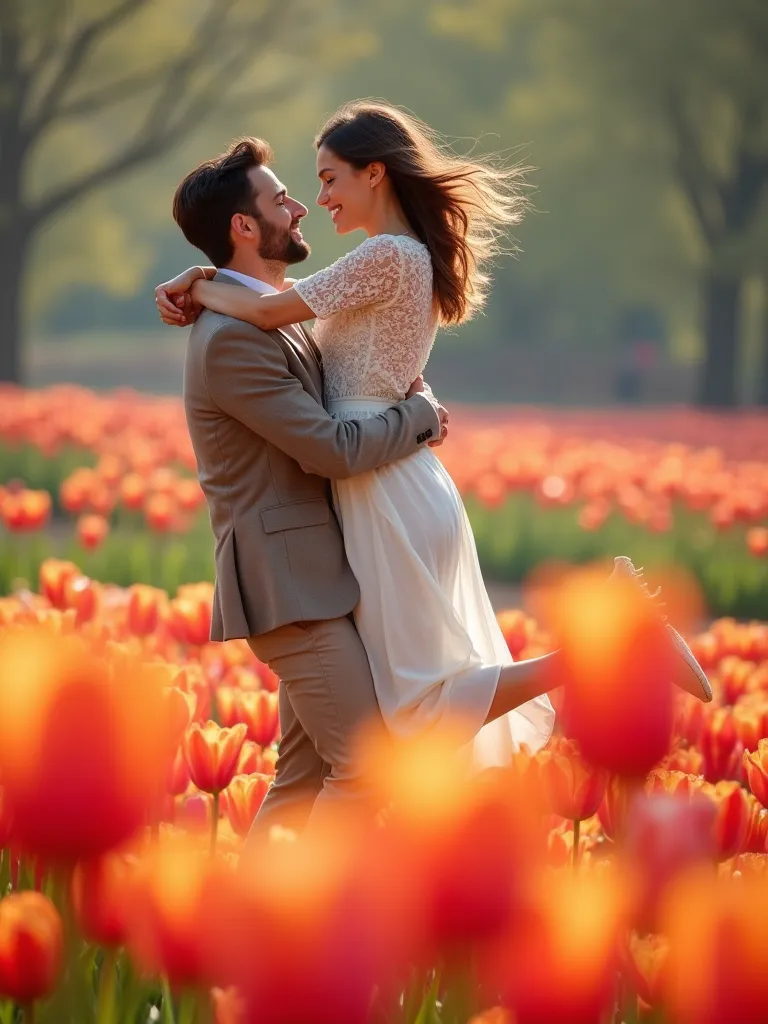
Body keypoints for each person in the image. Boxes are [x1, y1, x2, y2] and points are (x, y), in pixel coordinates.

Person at [157, 105, 711, 829]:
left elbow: (308, 373)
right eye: (287, 196)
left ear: (373, 172)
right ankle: (263, 925)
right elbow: (317, 390)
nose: (307, 204)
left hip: (373, 499)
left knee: (389, 733)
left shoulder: (367, 265)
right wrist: (201, 279)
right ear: (242, 226)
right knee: (329, 761)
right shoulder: (249, 327)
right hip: (314, 557)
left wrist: (198, 281)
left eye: (324, 180)